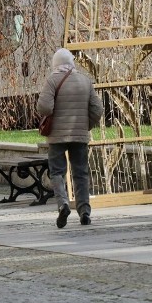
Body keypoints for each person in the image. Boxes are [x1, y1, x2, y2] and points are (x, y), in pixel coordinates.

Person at [37, 48, 102, 228]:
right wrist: (85, 125)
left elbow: (44, 107)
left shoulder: (52, 80)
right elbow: (98, 110)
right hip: (80, 135)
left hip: (57, 136)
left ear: (55, 63)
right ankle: (85, 212)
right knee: (80, 173)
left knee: (57, 172)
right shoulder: (85, 80)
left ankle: (63, 204)